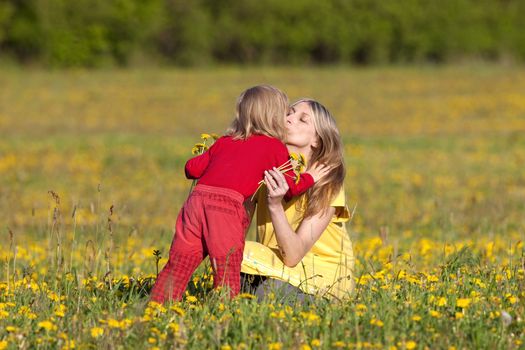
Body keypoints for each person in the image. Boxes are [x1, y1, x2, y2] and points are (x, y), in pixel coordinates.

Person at [150, 86, 330, 303]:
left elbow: (192, 169)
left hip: (195, 203)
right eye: (286, 112)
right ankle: (224, 314)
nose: (288, 119)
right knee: (227, 266)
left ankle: (156, 307)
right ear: (273, 117)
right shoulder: (274, 147)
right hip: (226, 208)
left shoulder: (224, 142)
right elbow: (291, 189)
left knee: (179, 262)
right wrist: (310, 177)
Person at [241, 99, 355, 302]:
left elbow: (293, 256)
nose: (289, 119)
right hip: (273, 268)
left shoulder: (327, 182)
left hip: (319, 280)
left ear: (317, 140)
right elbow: (234, 233)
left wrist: (274, 205)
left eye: (302, 120)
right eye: (289, 113)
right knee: (229, 272)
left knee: (265, 293)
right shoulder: (265, 170)